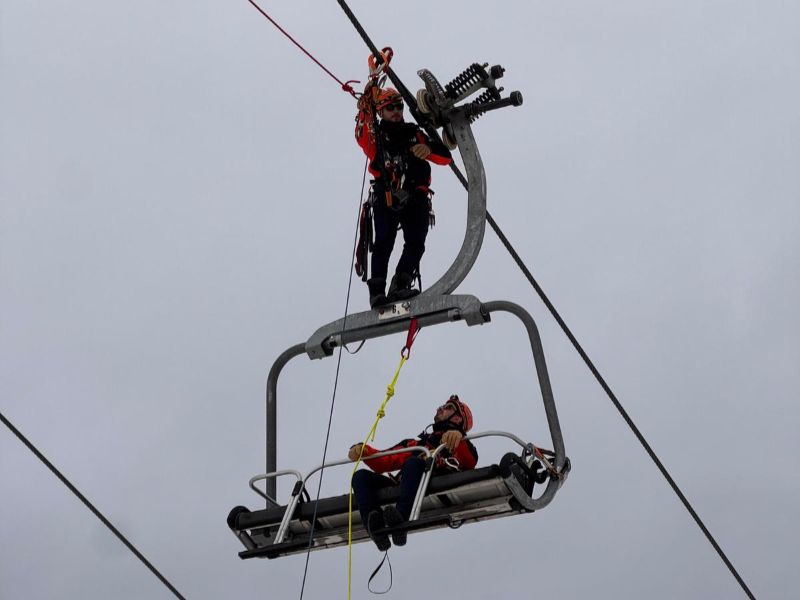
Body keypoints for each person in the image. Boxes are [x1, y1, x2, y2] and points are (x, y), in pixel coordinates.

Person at [355, 87, 453, 308]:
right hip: (387, 194)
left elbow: (446, 157)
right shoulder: (377, 136)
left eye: (399, 106)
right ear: (381, 111)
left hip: (415, 196)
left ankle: (401, 283)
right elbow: (362, 135)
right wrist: (365, 107)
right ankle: (377, 292)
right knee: (383, 243)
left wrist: (427, 149)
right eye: (390, 107)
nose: (396, 111)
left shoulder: (414, 132)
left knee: (416, 242)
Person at [348, 395, 477, 550]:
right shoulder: (417, 444)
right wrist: (363, 450)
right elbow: (386, 459)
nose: (440, 408)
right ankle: (374, 525)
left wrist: (458, 437)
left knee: (414, 463)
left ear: (458, 419)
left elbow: (469, 462)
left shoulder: (458, 444)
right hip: (406, 481)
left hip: (433, 479)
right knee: (360, 477)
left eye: (448, 407)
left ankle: (401, 520)